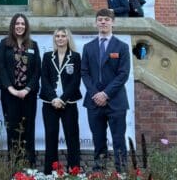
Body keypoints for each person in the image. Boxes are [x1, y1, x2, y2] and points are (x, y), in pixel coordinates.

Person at [81, 9, 130, 172]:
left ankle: (122, 172)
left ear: (113, 22)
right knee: (98, 140)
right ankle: (99, 171)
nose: (103, 22)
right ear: (96, 23)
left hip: (116, 102)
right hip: (94, 102)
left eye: (106, 19)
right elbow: (85, 73)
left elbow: (123, 74)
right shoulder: (88, 47)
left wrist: (106, 94)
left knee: (118, 139)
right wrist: (96, 94)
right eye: (100, 19)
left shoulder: (122, 47)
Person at [0, 13, 41, 167]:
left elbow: (37, 70)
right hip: (10, 95)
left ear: (26, 26)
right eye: (17, 23)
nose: (20, 26)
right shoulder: (4, 44)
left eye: (22, 23)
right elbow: (0, 68)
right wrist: (11, 89)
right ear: (13, 26)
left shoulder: (33, 45)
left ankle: (30, 163)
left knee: (28, 128)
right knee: (12, 129)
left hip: (28, 95)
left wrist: (27, 89)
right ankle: (14, 163)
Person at [39, 27, 82, 175]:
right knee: (51, 136)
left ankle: (74, 170)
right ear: (54, 39)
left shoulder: (75, 57)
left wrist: (62, 99)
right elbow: (44, 79)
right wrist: (53, 98)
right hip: (49, 103)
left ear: (68, 38)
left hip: (68, 103)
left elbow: (75, 81)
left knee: (72, 137)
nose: (60, 38)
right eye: (57, 36)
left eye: (63, 36)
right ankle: (50, 171)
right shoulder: (47, 56)